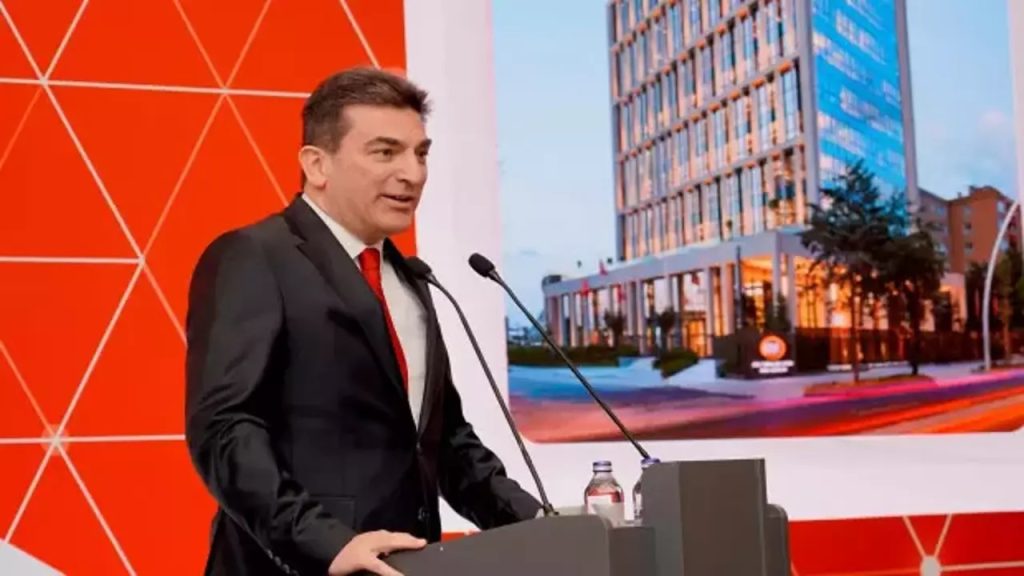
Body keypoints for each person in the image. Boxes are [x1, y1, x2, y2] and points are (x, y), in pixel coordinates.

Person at [184, 67, 542, 576]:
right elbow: (224, 430)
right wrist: (326, 544)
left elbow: (445, 443)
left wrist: (541, 524)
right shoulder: (254, 257)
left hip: (408, 565)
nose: (413, 173)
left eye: (421, 154)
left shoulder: (411, 277)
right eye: (385, 152)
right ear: (317, 165)